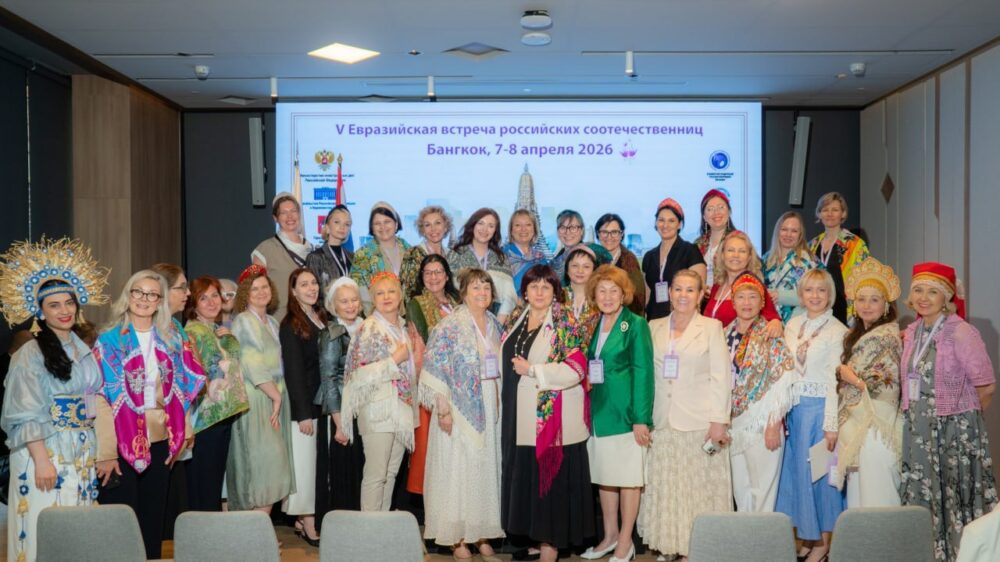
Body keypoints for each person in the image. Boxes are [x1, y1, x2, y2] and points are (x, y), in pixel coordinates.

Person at [0, 238, 110, 562]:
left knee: (77, 525)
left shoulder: (82, 348)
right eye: (54, 305)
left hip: (81, 447)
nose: (64, 311)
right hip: (46, 449)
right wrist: (42, 460)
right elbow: (25, 410)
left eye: (69, 303)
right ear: (40, 311)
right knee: (43, 520)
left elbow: (92, 399)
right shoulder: (30, 354)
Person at [93, 270, 206, 559]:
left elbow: (181, 390)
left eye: (152, 294)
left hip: (160, 437)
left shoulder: (171, 339)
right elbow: (102, 398)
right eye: (138, 292)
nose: (144, 299)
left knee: (153, 516)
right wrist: (106, 452)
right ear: (128, 296)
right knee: (121, 517)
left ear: (160, 301)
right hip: (120, 439)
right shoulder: (109, 341)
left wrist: (185, 431)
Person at [899, 262, 997, 562]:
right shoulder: (913, 332)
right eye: (918, 290)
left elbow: (986, 386)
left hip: (954, 432)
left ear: (947, 297)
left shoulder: (961, 332)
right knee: (924, 497)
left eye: (933, 291)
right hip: (919, 431)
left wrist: (962, 422)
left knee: (954, 498)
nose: (923, 297)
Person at [501, 264, 595, 562]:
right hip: (519, 415)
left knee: (549, 486)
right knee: (529, 482)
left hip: (553, 420)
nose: (539, 292)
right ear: (525, 291)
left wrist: (533, 370)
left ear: (556, 291)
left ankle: (549, 548)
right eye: (533, 286)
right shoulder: (517, 317)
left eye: (546, 286)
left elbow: (576, 368)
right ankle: (536, 538)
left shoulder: (565, 320)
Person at [638, 269, 730, 561]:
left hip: (698, 422)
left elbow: (721, 377)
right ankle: (671, 544)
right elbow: (645, 375)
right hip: (662, 422)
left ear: (701, 294)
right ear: (669, 292)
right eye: (678, 289)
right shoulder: (653, 326)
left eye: (690, 290)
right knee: (669, 490)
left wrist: (719, 421)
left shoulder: (712, 327)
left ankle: (695, 549)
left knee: (697, 491)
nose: (683, 295)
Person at [420, 268, 505, 561]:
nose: (482, 293)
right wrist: (442, 408)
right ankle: (457, 538)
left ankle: (481, 535)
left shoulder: (495, 324)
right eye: (475, 287)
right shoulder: (450, 326)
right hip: (457, 409)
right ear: (464, 293)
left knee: (483, 471)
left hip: (490, 405)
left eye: (486, 288)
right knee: (457, 471)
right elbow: (435, 367)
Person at [580, 265, 653, 562]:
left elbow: (644, 372)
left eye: (614, 291)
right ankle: (609, 536)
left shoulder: (635, 324)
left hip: (626, 416)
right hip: (598, 414)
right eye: (602, 291)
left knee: (628, 479)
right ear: (594, 295)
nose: (608, 297)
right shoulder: (593, 324)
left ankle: (625, 541)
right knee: (605, 476)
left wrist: (640, 418)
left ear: (624, 295)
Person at [775, 269, 848, 562]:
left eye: (821, 290)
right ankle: (808, 534)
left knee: (820, 475)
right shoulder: (794, 324)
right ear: (801, 294)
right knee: (798, 476)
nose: (815, 296)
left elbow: (834, 381)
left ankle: (824, 542)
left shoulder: (837, 330)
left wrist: (831, 424)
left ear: (830, 295)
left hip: (819, 411)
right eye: (809, 290)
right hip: (795, 411)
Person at [341, 272, 419, 512]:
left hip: (401, 410)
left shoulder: (402, 327)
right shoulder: (369, 328)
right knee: (376, 474)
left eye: (391, 291)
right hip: (378, 410)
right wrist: (394, 359)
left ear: (400, 295)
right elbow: (358, 376)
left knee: (390, 473)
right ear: (373, 299)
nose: (386, 297)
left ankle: (381, 527)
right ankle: (369, 529)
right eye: (380, 293)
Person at [724, 272, 797, 513]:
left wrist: (773, 424)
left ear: (762, 301)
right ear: (733, 301)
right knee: (740, 489)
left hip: (762, 422)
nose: (747, 302)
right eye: (741, 297)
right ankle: (745, 535)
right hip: (734, 424)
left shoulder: (770, 333)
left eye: (753, 297)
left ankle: (762, 537)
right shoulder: (724, 333)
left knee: (763, 490)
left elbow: (784, 379)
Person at [832, 257, 902, 508]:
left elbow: (880, 382)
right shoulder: (856, 335)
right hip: (858, 426)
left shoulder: (886, 336)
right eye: (861, 299)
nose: (867, 305)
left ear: (886, 304)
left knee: (876, 496)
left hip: (877, 424)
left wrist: (848, 376)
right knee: (858, 497)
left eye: (874, 299)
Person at [226, 265, 295, 513]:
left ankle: (260, 527)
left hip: (274, 395)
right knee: (264, 466)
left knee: (273, 467)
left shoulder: (272, 322)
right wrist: (275, 397)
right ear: (245, 294)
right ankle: (256, 527)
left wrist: (278, 396)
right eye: (254, 288)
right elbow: (251, 363)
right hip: (258, 398)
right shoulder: (244, 321)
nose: (261, 292)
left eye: (264, 286)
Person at [182, 277, 250, 512]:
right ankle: (202, 529)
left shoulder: (213, 329)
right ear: (193, 304)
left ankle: (208, 527)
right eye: (203, 298)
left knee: (213, 479)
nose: (211, 302)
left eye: (214, 295)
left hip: (221, 414)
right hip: (205, 419)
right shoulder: (194, 332)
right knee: (204, 482)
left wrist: (228, 338)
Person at [404, 254, 461, 497]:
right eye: (428, 273)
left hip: (461, 383)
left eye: (438, 272)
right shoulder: (416, 303)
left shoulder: (458, 301)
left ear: (447, 276)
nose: (433, 277)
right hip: (434, 381)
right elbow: (421, 344)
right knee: (431, 448)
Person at [280, 268, 328, 545]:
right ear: (293, 291)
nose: (311, 288)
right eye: (304, 284)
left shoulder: (321, 318)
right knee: (305, 467)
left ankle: (303, 520)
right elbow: (294, 373)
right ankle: (308, 523)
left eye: (314, 283)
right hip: (306, 409)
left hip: (322, 405)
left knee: (317, 467)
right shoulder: (290, 325)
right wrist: (303, 415)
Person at [316, 277, 366, 516]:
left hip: (364, 408)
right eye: (344, 301)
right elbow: (328, 379)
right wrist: (339, 424)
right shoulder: (332, 333)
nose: (350, 305)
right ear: (333, 306)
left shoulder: (367, 327)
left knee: (361, 470)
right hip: (341, 410)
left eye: (354, 300)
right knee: (343, 473)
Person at [807, 192, 870, 324]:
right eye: (825, 210)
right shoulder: (811, 245)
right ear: (819, 214)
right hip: (816, 306)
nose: (829, 214)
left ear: (843, 213)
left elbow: (865, 280)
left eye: (835, 210)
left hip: (844, 310)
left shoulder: (855, 244)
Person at [703, 231, 783, 335]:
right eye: (730, 250)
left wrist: (775, 322)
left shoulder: (754, 286)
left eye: (742, 251)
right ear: (722, 255)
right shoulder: (717, 286)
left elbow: (774, 320)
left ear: (749, 257)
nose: (736, 255)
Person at [447, 208, 519, 323]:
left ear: (495, 231)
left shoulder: (500, 258)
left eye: (491, 226)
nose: (485, 229)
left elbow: (509, 297)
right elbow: (449, 292)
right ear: (473, 225)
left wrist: (497, 324)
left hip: (495, 319)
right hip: (461, 320)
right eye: (481, 223)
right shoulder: (456, 255)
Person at [641, 198, 706, 321]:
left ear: (679, 224)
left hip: (682, 319)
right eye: (661, 220)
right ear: (656, 223)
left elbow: (698, 292)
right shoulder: (649, 256)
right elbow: (647, 295)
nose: (665, 225)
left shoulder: (690, 251)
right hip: (654, 320)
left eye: (671, 221)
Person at [252, 192, 313, 319]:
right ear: (275, 218)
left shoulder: (311, 249)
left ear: (299, 214)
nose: (290, 216)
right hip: (280, 319)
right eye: (283, 213)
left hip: (309, 317)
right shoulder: (265, 250)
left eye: (293, 211)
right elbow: (255, 290)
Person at [763, 211, 823, 322]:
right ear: (778, 231)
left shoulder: (810, 261)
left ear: (800, 234)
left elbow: (821, 295)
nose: (788, 235)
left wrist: (782, 296)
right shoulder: (765, 259)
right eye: (784, 229)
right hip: (767, 322)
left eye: (794, 231)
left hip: (797, 323)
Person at [350, 201, 412, 310]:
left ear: (396, 224)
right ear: (372, 228)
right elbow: (360, 290)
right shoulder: (363, 254)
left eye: (387, 221)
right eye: (377, 223)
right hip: (377, 314)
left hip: (409, 313)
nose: (382, 227)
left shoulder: (409, 250)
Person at [594, 213, 646, 316]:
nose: (609, 237)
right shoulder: (592, 259)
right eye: (604, 232)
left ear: (622, 234)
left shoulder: (629, 260)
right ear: (598, 234)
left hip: (624, 319)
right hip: (596, 318)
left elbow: (638, 298)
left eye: (614, 232)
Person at [400, 205, 453, 298]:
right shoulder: (413, 254)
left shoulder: (452, 255)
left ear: (445, 227)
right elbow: (407, 292)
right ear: (423, 230)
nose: (433, 228)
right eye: (428, 225)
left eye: (437, 223)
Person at [692, 189, 737, 290]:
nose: (716, 212)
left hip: (729, 296)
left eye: (721, 207)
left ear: (729, 211)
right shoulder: (697, 244)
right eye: (710, 209)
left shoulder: (739, 240)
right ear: (704, 216)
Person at [306, 204, 354, 295]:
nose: (342, 227)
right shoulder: (315, 257)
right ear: (327, 228)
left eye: (347, 224)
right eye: (337, 222)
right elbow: (313, 292)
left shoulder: (352, 257)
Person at [503, 209, 549, 294]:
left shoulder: (540, 259)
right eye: (518, 225)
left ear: (534, 230)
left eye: (528, 225)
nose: (523, 229)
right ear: (511, 230)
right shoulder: (501, 256)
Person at [562, 246, 602, 327]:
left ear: (594, 270)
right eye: (575, 266)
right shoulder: (556, 295)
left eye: (586, 267)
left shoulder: (600, 298)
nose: (580, 271)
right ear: (567, 269)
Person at [550, 209, 586, 279]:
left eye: (573, 227)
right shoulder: (554, 262)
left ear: (581, 230)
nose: (567, 232)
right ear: (558, 232)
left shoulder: (592, 255)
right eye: (563, 227)